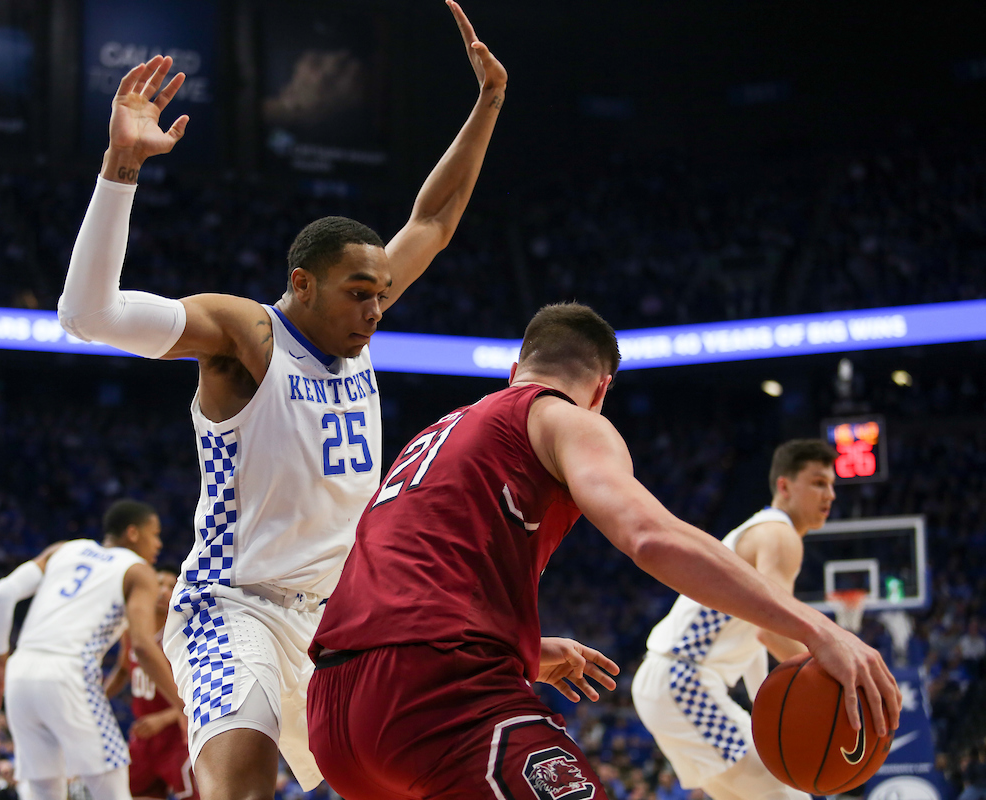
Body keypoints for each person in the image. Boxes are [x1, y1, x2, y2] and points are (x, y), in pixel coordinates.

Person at [55, 2, 506, 796]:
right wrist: (120, 167)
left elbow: (432, 218)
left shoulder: (358, 325)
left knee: (418, 776)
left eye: (381, 295)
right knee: (243, 783)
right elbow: (88, 316)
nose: (375, 310)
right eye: (358, 294)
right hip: (239, 607)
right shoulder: (245, 336)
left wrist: (488, 105)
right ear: (302, 283)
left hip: (342, 618)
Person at [307, 303, 901, 800]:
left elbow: (401, 579)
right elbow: (650, 537)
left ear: (514, 368)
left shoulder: (440, 432)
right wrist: (820, 630)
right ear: (601, 389)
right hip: (433, 693)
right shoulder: (563, 418)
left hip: (335, 714)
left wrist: (525, 650)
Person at [631, 439, 838, 800]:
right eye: (819, 482)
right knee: (788, 796)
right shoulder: (780, 535)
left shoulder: (758, 531)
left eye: (832, 485)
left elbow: (758, 640)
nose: (830, 494)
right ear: (785, 486)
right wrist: (836, 685)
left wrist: (772, 712)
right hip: (685, 680)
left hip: (673, 682)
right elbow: (774, 631)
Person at [0, 500, 185, 800]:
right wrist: (180, 705)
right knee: (112, 785)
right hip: (70, 671)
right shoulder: (138, 571)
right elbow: (140, 645)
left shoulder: (63, 549)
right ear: (133, 533)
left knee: (43, 790)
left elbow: (1, 593)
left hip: (20, 672)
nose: (159, 543)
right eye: (154, 534)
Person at [104, 570, 197, 799]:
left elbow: (196, 692)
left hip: (179, 734)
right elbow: (124, 670)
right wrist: (97, 696)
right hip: (144, 734)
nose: (163, 591)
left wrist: (164, 718)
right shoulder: (132, 633)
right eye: (158, 584)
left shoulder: (184, 636)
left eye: (170, 586)